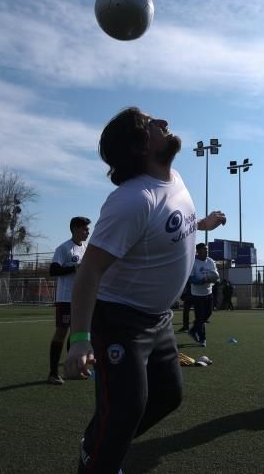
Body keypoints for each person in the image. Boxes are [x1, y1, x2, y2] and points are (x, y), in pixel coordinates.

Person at [63, 107, 226, 473]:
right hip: (119, 319)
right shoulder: (131, 200)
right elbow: (89, 271)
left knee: (168, 396)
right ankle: (97, 455)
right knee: (126, 409)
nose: (163, 122)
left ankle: (100, 440)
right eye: (151, 124)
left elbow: (171, 225)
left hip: (159, 318)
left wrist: (204, 224)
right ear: (139, 147)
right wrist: (80, 339)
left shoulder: (176, 179)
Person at [47, 216, 91, 385]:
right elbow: (53, 270)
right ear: (75, 229)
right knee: (61, 333)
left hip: (82, 299)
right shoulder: (64, 248)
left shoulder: (87, 248)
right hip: (66, 299)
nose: (88, 232)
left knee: (77, 335)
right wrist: (74, 268)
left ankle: (74, 369)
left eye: (88, 229)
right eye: (85, 228)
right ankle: (52, 373)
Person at [188, 242, 219, 347]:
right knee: (200, 317)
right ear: (198, 251)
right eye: (204, 250)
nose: (206, 251)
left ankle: (193, 330)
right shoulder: (193, 263)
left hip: (208, 292)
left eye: (206, 250)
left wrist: (213, 279)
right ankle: (202, 338)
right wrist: (202, 280)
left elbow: (215, 275)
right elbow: (190, 278)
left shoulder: (210, 261)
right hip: (197, 295)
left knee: (208, 314)